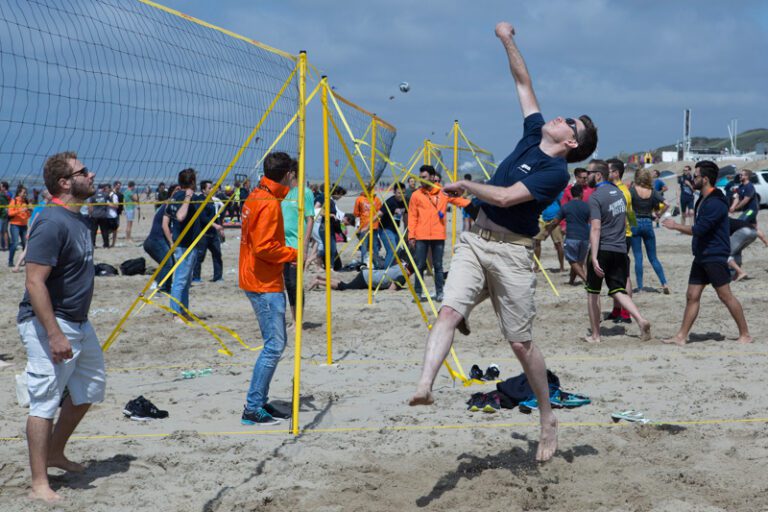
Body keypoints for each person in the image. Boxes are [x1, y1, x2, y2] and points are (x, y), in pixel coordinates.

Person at [408, 21, 597, 463]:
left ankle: (547, 415)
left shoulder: (556, 174)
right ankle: (425, 386)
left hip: (513, 252)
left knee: (520, 343)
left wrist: (468, 186)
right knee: (449, 310)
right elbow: (523, 82)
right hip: (476, 241)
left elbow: (511, 197)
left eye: (569, 122)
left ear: (570, 142)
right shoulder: (534, 133)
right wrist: (507, 39)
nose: (560, 117)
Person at [17, 151, 102, 503]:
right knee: (44, 402)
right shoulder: (51, 222)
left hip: (79, 321)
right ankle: (39, 482)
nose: (92, 174)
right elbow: (35, 283)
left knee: (91, 388)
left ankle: (55, 452)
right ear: (65, 182)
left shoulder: (80, 219)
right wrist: (53, 333)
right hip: (47, 322)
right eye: (84, 171)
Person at [662, 161, 752, 345]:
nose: (692, 179)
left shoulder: (716, 203)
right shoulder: (703, 199)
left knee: (725, 296)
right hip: (702, 254)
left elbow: (700, 229)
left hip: (715, 255)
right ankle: (681, 336)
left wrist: (675, 226)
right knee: (692, 295)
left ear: (705, 179)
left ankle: (745, 334)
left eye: (695, 176)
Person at [239, 152, 297, 425]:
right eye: (293, 176)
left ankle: (259, 402)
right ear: (287, 174)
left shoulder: (257, 195)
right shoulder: (268, 202)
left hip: (257, 278)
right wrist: (292, 253)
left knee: (275, 344)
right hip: (263, 282)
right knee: (274, 346)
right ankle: (252, 408)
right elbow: (264, 247)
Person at [583, 161, 651, 343]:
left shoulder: (596, 196)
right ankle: (640, 319)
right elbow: (628, 217)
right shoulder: (621, 194)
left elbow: (595, 229)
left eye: (588, 172)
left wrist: (594, 257)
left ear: (598, 175)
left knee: (593, 292)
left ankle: (596, 335)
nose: (585, 176)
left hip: (603, 247)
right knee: (618, 289)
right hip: (620, 247)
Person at [408, 165, 470, 301]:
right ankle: (418, 293)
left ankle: (440, 293)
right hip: (421, 235)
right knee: (419, 266)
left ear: (431, 177)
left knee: (438, 266)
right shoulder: (416, 195)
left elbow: (458, 201)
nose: (421, 179)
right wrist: (411, 235)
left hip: (438, 235)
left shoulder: (442, 192)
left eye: (424, 177)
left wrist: (474, 204)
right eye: (420, 177)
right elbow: (412, 216)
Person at [165, 169, 203, 320]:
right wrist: (188, 197)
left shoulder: (175, 196)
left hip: (185, 244)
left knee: (186, 280)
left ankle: (183, 311)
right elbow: (180, 216)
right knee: (180, 280)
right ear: (192, 182)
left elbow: (166, 217)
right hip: (184, 245)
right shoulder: (185, 197)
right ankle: (176, 314)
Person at [281, 160, 315, 325]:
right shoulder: (285, 193)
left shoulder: (305, 192)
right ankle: (294, 319)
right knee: (288, 283)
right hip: (283, 246)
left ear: (292, 173)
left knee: (295, 283)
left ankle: (298, 321)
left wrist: (305, 247)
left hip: (297, 245)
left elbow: (310, 219)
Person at [630, 168, 669, 293]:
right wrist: (658, 216)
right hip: (648, 222)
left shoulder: (632, 190)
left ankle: (640, 286)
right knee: (653, 257)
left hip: (634, 222)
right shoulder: (652, 192)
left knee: (638, 257)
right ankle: (664, 283)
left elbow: (626, 205)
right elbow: (667, 203)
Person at [143, 184, 178, 293]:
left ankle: (164, 286)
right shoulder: (169, 205)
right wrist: (171, 243)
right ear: (172, 193)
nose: (180, 192)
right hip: (155, 240)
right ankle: (161, 288)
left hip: (155, 240)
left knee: (170, 263)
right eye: (177, 190)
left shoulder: (174, 205)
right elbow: (165, 226)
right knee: (168, 264)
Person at [552, 184, 590, 284]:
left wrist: (548, 230)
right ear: (581, 194)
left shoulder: (566, 206)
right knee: (579, 261)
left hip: (572, 237)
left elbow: (556, 221)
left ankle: (587, 280)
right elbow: (591, 221)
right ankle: (571, 281)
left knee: (572, 261)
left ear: (572, 194)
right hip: (585, 237)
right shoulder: (587, 206)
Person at [192, 180, 224, 284]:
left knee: (217, 254)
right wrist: (215, 225)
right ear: (203, 190)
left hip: (213, 233)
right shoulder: (200, 199)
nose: (212, 189)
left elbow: (215, 216)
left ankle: (218, 277)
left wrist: (220, 229)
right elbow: (202, 218)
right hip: (203, 233)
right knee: (199, 257)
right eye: (209, 188)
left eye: (212, 187)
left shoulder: (212, 200)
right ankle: (196, 278)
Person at [308, 261, 412, 291]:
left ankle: (320, 278)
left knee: (346, 285)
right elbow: (391, 290)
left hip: (369, 274)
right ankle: (319, 282)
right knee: (344, 287)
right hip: (367, 279)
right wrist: (399, 287)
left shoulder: (401, 265)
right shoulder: (403, 276)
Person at [533, 192, 565, 273]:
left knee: (558, 244)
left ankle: (562, 266)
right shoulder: (542, 190)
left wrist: (563, 221)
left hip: (555, 219)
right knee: (536, 241)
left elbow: (563, 204)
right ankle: (536, 266)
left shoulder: (558, 191)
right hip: (542, 218)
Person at [353, 184, 384, 268]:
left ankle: (367, 262)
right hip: (369, 226)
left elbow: (356, 213)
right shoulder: (373, 199)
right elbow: (356, 213)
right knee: (373, 246)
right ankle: (374, 262)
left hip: (367, 226)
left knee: (366, 245)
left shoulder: (361, 199)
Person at [380, 183, 407, 268]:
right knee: (392, 250)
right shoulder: (390, 202)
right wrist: (367, 225)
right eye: (399, 193)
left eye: (403, 193)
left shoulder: (404, 202)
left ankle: (393, 268)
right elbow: (379, 213)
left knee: (399, 250)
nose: (401, 195)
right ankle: (386, 272)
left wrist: (408, 230)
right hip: (385, 229)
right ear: (394, 192)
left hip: (395, 229)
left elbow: (406, 217)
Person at [8, 184, 32, 267]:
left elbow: (28, 216)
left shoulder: (26, 202)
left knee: (25, 244)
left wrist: (29, 211)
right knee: (15, 244)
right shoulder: (13, 201)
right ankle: (10, 261)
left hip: (24, 225)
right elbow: (10, 213)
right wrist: (20, 210)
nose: (25, 194)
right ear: (19, 193)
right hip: (15, 225)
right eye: (24, 192)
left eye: (26, 192)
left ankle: (25, 261)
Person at [88, 184, 111, 249]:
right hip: (103, 215)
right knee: (104, 231)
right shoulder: (105, 194)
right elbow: (110, 201)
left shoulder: (93, 195)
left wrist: (90, 214)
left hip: (95, 215)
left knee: (93, 231)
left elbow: (90, 206)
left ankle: (93, 245)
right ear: (103, 188)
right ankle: (106, 245)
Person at [111, 181, 123, 247]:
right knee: (109, 229)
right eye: (118, 185)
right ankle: (110, 242)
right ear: (115, 185)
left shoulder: (120, 194)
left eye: (120, 185)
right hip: (110, 213)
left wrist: (121, 210)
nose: (119, 187)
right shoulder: (111, 193)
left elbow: (121, 205)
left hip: (117, 213)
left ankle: (113, 243)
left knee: (115, 228)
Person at [0, 181, 10, 251]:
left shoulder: (5, 194)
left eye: (0, 186)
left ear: (4, 187)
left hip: (3, 215)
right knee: (4, 231)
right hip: (5, 215)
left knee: (3, 231)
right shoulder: (6, 194)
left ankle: (3, 245)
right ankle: (5, 245)